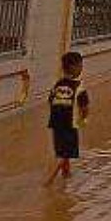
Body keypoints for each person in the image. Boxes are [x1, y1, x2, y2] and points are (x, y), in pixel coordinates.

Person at [46, 52, 89, 184]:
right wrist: (83, 119)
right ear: (74, 67)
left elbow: (50, 100)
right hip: (70, 124)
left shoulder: (58, 84)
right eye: (80, 66)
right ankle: (49, 180)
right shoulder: (80, 87)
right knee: (66, 153)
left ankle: (66, 174)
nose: (82, 69)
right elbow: (84, 107)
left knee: (62, 150)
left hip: (55, 124)